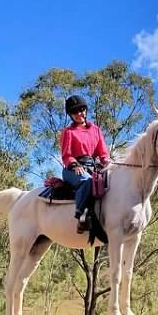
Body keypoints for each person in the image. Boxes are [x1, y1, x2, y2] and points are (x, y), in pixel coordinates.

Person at [60, 94, 110, 233]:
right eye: (74, 112)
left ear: (86, 110)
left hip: (93, 168)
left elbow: (103, 152)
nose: (79, 114)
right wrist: (75, 165)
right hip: (73, 170)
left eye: (81, 109)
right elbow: (66, 155)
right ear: (70, 115)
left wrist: (107, 161)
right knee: (87, 181)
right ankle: (81, 217)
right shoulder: (68, 132)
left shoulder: (96, 130)